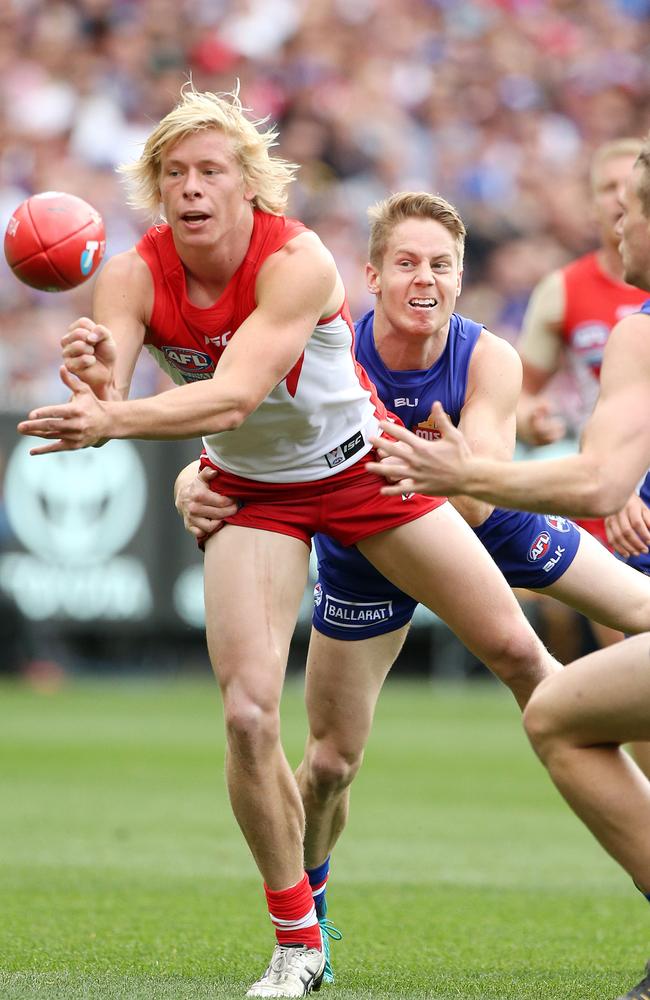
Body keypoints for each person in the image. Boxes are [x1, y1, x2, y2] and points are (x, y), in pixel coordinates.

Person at [17, 85, 563, 999]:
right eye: (174, 173)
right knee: (247, 716)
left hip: (364, 473)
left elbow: (231, 398)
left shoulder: (298, 258)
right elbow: (109, 366)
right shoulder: (132, 272)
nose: (191, 188)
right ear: (156, 185)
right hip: (252, 496)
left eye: (211, 171)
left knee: (520, 654)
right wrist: (91, 370)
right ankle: (297, 941)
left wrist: (112, 416)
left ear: (250, 185)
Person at [175, 192, 650, 989]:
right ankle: (308, 928)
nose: (423, 278)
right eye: (406, 263)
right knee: (329, 762)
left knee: (608, 631)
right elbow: (236, 441)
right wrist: (191, 480)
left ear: (461, 281)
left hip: (483, 524)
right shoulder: (326, 344)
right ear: (371, 276)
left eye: (441, 265)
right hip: (362, 545)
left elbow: (478, 492)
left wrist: (440, 464)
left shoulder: (484, 355)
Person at [366, 138, 650, 1000]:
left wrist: (464, 474)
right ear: (373, 273)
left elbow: (599, 480)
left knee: (557, 709)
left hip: (528, 508)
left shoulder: (637, 331)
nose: (617, 215)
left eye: (631, 200)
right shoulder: (583, 304)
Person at [515, 137, 648, 652]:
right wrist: (533, 420)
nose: (618, 197)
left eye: (627, 186)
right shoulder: (564, 289)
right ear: (592, 204)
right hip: (608, 492)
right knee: (632, 672)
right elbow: (521, 394)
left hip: (630, 482)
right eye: (607, 187)